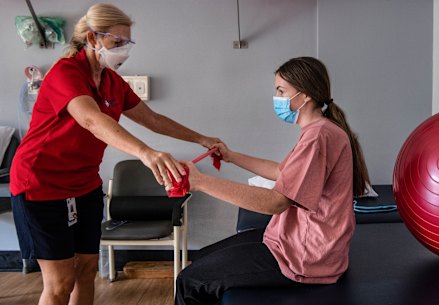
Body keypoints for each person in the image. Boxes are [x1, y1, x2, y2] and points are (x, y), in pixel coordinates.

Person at [9, 4, 220, 305]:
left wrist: (202, 138)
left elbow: (155, 120)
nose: (124, 50)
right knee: (60, 282)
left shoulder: (112, 82)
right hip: (41, 183)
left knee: (87, 269)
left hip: (83, 183)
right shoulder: (65, 73)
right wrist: (146, 153)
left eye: (127, 43)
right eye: (117, 42)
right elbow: (92, 120)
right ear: (93, 39)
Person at [173, 56, 371, 305]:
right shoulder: (319, 130)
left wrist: (201, 182)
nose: (276, 98)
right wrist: (232, 156)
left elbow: (275, 203)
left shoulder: (318, 137)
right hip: (297, 241)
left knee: (189, 281)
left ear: (305, 95)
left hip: (306, 257)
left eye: (281, 91)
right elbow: (280, 171)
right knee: (202, 256)